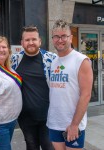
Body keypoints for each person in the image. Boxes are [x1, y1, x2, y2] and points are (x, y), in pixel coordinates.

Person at [47, 19, 93, 150]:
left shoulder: (81, 60)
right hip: (55, 122)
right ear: (52, 38)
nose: (60, 40)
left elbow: (86, 95)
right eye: (56, 36)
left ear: (71, 37)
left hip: (73, 124)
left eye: (64, 36)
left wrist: (74, 124)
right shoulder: (54, 61)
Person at [11, 25, 56, 150]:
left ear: (40, 41)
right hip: (25, 117)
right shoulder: (14, 60)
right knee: (31, 146)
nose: (31, 43)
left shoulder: (51, 59)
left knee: (49, 147)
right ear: (22, 42)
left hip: (48, 116)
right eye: (27, 40)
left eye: (34, 39)